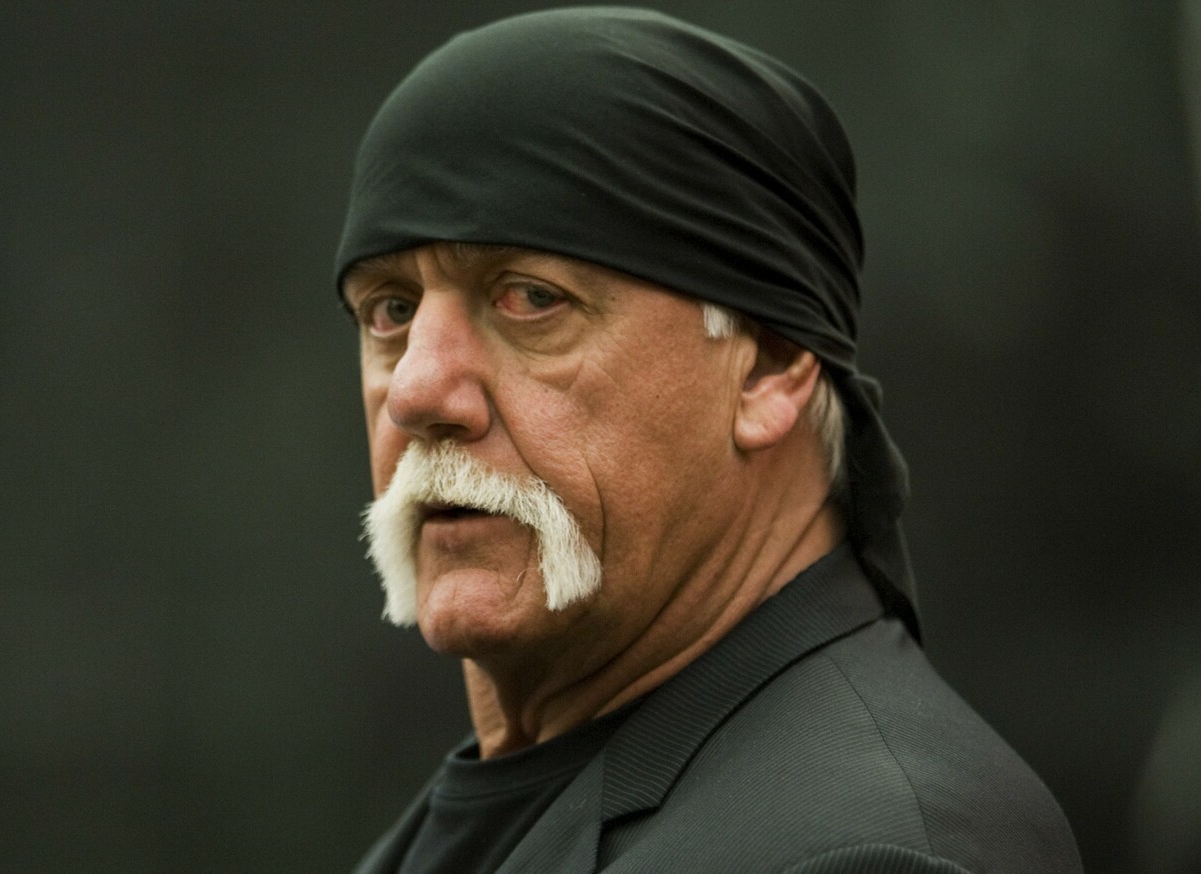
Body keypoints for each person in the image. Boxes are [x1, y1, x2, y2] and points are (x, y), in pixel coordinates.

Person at [334, 8, 1082, 872]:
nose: (416, 393)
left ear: (769, 363)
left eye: (532, 299)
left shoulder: (868, 849)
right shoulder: (476, 818)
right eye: (390, 310)